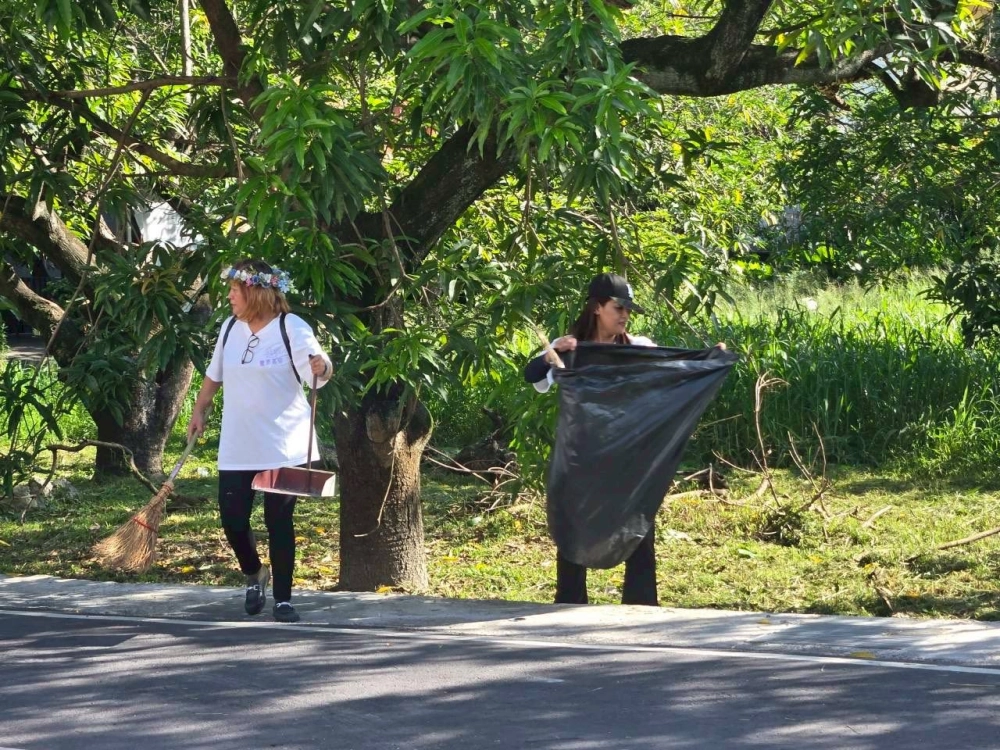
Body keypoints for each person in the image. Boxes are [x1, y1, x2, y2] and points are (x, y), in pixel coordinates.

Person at [525, 272, 725, 607]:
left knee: (638, 528)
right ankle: (569, 608)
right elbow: (532, 376)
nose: (624, 314)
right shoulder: (571, 349)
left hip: (630, 460)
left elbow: (674, 367)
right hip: (581, 460)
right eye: (618, 307)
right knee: (575, 530)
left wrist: (710, 358)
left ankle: (642, 608)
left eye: (628, 309)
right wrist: (551, 354)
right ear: (597, 308)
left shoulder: (638, 349)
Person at [187, 259, 333, 623]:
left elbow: (320, 368)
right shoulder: (228, 329)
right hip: (238, 444)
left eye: (235, 290)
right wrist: (199, 410)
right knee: (232, 519)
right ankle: (255, 573)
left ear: (254, 291)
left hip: (284, 445)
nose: (230, 296)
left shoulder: (291, 327)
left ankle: (283, 598)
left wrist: (322, 367)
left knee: (278, 520)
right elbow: (213, 375)